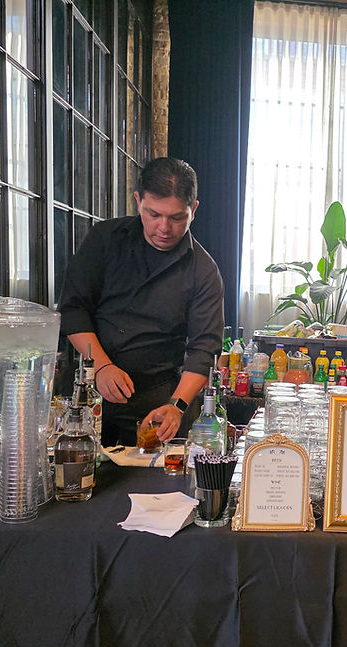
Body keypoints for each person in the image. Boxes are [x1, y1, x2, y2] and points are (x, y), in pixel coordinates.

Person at [59, 157, 224, 445]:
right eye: (154, 214)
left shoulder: (203, 271)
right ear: (138, 201)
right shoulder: (104, 240)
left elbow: (204, 349)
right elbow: (74, 309)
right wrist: (102, 367)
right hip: (88, 389)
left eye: (177, 218)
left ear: (193, 209)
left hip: (156, 401)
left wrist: (177, 405)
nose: (164, 228)